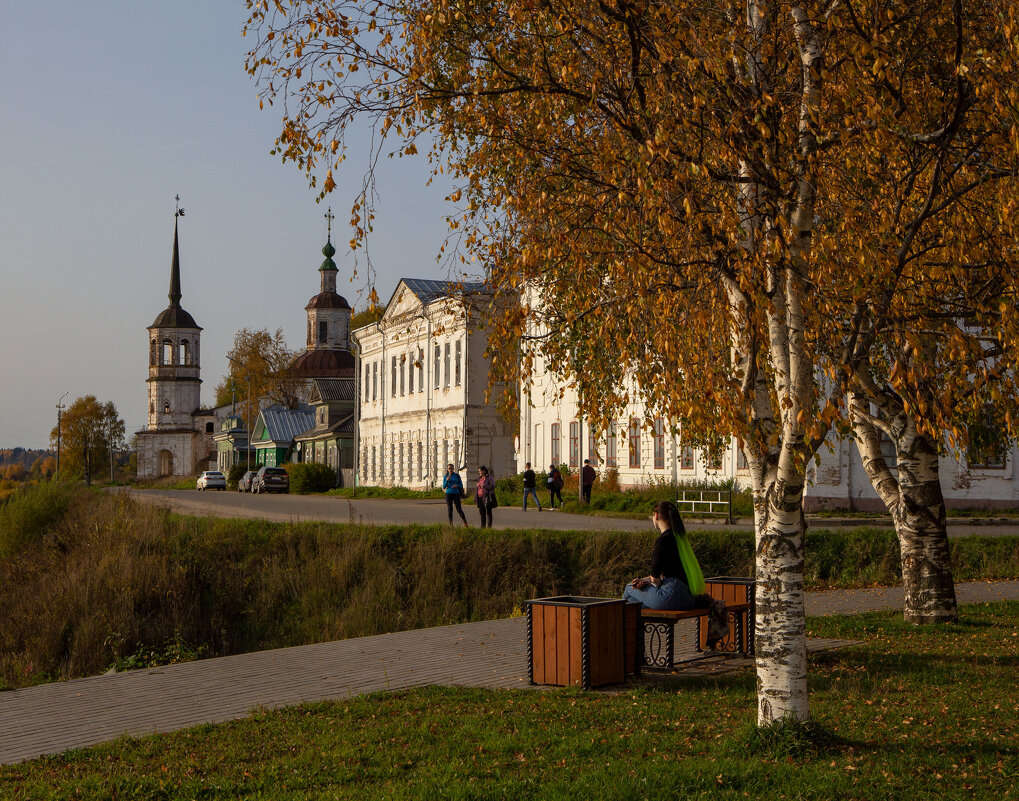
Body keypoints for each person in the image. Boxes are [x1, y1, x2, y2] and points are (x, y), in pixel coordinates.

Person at [622, 500, 705, 610]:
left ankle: (619, 622)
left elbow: (655, 580)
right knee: (633, 603)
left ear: (656, 516)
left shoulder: (662, 540)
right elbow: (665, 575)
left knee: (629, 588)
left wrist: (647, 582)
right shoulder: (680, 539)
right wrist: (645, 581)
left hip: (670, 595)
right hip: (688, 599)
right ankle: (630, 623)